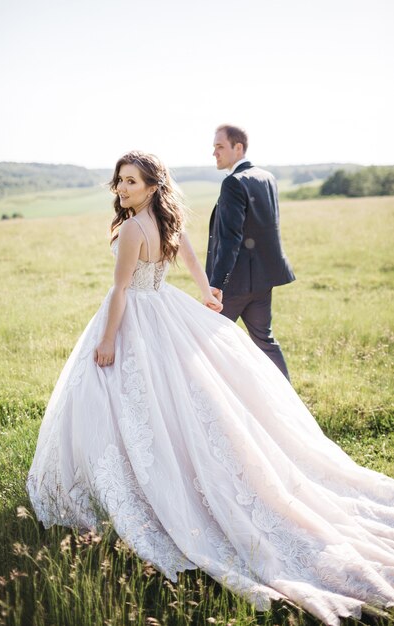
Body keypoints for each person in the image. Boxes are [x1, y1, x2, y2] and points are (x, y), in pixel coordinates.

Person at [27, 151, 394, 626]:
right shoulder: (162, 219)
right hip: (164, 307)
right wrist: (204, 290)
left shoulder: (134, 228)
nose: (121, 189)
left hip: (138, 315)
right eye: (119, 181)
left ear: (153, 186)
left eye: (131, 182)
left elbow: (120, 291)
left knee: (125, 399)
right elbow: (188, 253)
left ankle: (142, 481)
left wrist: (107, 340)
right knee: (168, 401)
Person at [206, 124, 295, 380]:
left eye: (220, 147)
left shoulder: (233, 183)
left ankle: (213, 404)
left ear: (238, 147)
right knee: (264, 341)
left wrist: (216, 284)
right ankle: (288, 401)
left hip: (234, 283)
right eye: (214, 148)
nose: (215, 153)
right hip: (263, 280)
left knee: (208, 341)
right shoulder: (267, 177)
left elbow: (230, 239)